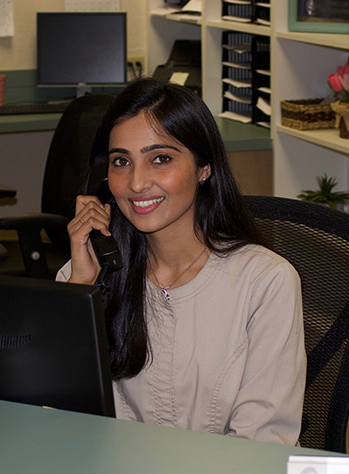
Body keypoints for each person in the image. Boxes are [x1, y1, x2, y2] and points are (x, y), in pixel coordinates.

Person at [56, 78, 305, 445]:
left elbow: (263, 445)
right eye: (121, 161)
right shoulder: (84, 273)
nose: (137, 183)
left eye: (161, 159)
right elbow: (62, 417)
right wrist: (81, 291)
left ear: (204, 168)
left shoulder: (265, 282)